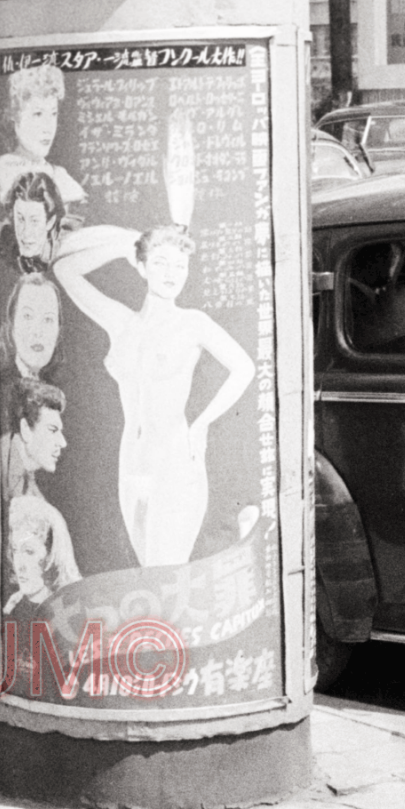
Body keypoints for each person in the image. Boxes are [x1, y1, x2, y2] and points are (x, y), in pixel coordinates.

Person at [53, 221, 256, 568]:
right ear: (142, 267)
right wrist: (124, 245)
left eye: (180, 265)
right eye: (161, 262)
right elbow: (64, 269)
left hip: (174, 462)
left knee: (164, 573)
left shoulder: (192, 323)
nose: (172, 273)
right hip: (132, 461)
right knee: (149, 570)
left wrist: (202, 423)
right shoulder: (121, 322)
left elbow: (244, 368)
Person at [0, 62, 85, 213]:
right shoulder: (0, 169)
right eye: (38, 114)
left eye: (53, 114)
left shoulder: (61, 175)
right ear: (14, 116)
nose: (48, 127)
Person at [4, 493, 81, 616]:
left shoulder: (70, 607)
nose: (19, 565)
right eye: (14, 550)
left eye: (29, 552)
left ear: (50, 554)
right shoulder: (12, 606)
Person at [0, 374, 67, 503]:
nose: (62, 443)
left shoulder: (26, 472)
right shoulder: (5, 468)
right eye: (52, 430)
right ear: (25, 429)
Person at [0, 273, 64, 388]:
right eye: (27, 316)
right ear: (12, 325)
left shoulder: (55, 387)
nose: (38, 331)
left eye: (48, 319)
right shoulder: (2, 387)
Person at [0, 169, 65, 276]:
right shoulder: (5, 249)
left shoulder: (62, 252)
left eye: (34, 221)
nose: (26, 232)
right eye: (20, 219)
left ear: (50, 222)